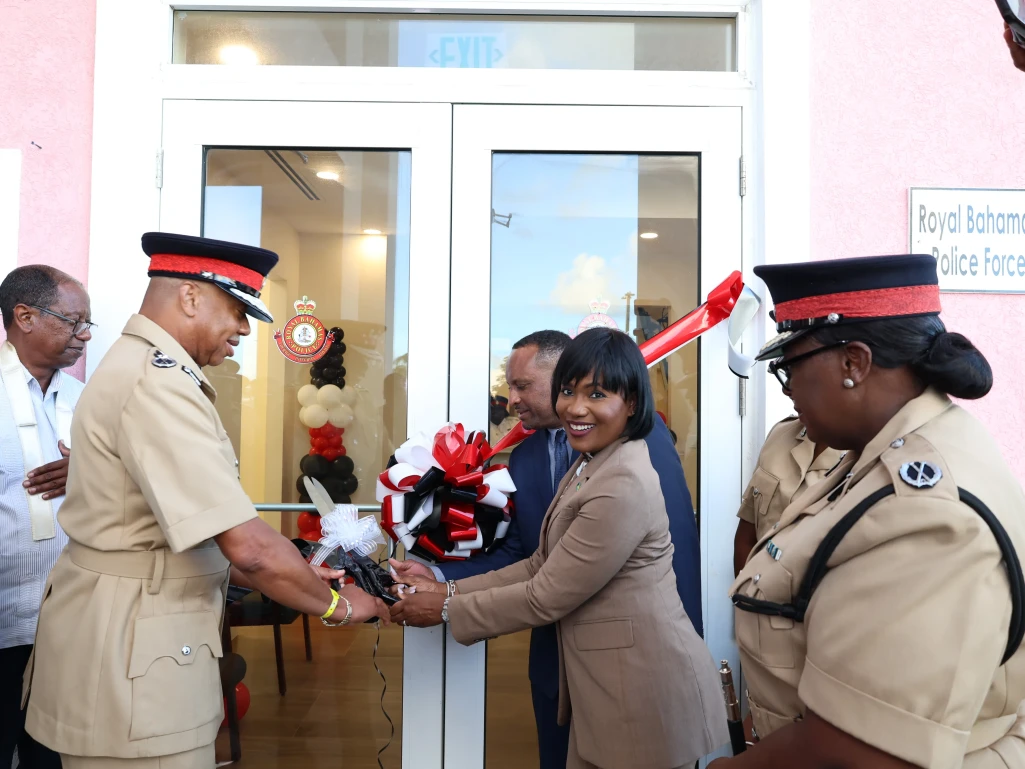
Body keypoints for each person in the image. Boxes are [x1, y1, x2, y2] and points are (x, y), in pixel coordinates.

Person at [22, 233, 389, 769]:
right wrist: (339, 605)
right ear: (191, 298)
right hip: (133, 663)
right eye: (238, 310)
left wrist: (305, 572)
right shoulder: (157, 383)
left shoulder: (146, 369)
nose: (243, 328)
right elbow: (249, 548)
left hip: (127, 640)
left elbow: (173, 530)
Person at [715, 254, 1025, 768]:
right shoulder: (880, 454)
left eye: (788, 369)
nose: (788, 390)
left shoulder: (926, 514)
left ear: (853, 363)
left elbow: (860, 749)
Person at [390, 328, 729, 769]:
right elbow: (537, 559)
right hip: (572, 671)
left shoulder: (627, 467)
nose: (576, 406)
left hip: (638, 679)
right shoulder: (584, 459)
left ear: (630, 403)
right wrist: (441, 585)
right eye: (569, 392)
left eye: (595, 393)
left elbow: (551, 591)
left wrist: (443, 609)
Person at [0, 266, 93, 769]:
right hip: (4, 619)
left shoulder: (87, 402)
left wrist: (92, 473)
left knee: (52, 756)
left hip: (68, 621)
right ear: (25, 316)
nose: (84, 335)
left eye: (87, 324)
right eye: (73, 321)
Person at [733, 416, 844, 576]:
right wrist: (744, 597)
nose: (788, 393)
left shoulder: (865, 454)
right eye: (785, 388)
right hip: (757, 593)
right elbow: (746, 536)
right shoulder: (780, 434)